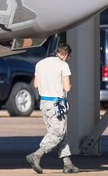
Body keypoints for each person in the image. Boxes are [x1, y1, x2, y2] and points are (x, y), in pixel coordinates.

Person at [26, 42, 78, 174]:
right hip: (57, 104)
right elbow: (67, 88)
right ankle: (37, 154)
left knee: (59, 133)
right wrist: (68, 85)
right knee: (58, 132)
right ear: (65, 55)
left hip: (44, 103)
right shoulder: (63, 65)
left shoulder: (40, 64)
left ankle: (68, 164)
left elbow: (36, 84)